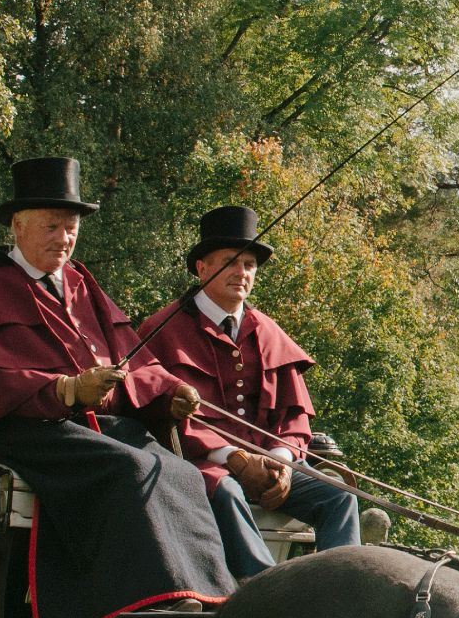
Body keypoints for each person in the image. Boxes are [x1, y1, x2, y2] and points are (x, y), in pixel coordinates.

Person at [0, 156, 257, 618]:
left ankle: (209, 595)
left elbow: (134, 360)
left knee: (184, 472)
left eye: (70, 227)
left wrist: (170, 392)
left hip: (93, 427)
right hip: (26, 430)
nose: (63, 237)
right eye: (52, 226)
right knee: (132, 468)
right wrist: (63, 389)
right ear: (18, 227)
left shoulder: (82, 284)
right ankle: (149, 601)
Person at [137, 203, 359, 555]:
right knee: (227, 492)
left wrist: (282, 463)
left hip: (271, 464)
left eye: (249, 265)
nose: (241, 272)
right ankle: (262, 593)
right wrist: (234, 459)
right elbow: (161, 416)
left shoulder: (269, 332)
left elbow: (292, 417)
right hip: (201, 466)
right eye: (230, 262)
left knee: (340, 497)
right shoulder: (162, 330)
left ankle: (344, 595)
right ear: (202, 267)